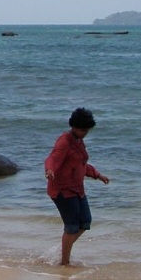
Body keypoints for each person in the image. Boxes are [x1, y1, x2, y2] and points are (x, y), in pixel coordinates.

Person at [44, 107, 110, 266]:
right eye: (82, 130)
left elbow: (80, 164)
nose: (85, 133)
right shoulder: (64, 142)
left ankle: (62, 250)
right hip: (62, 190)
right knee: (72, 226)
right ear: (73, 126)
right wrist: (49, 170)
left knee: (85, 222)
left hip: (77, 189)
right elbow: (52, 158)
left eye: (87, 130)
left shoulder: (79, 141)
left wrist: (97, 175)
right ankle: (64, 262)